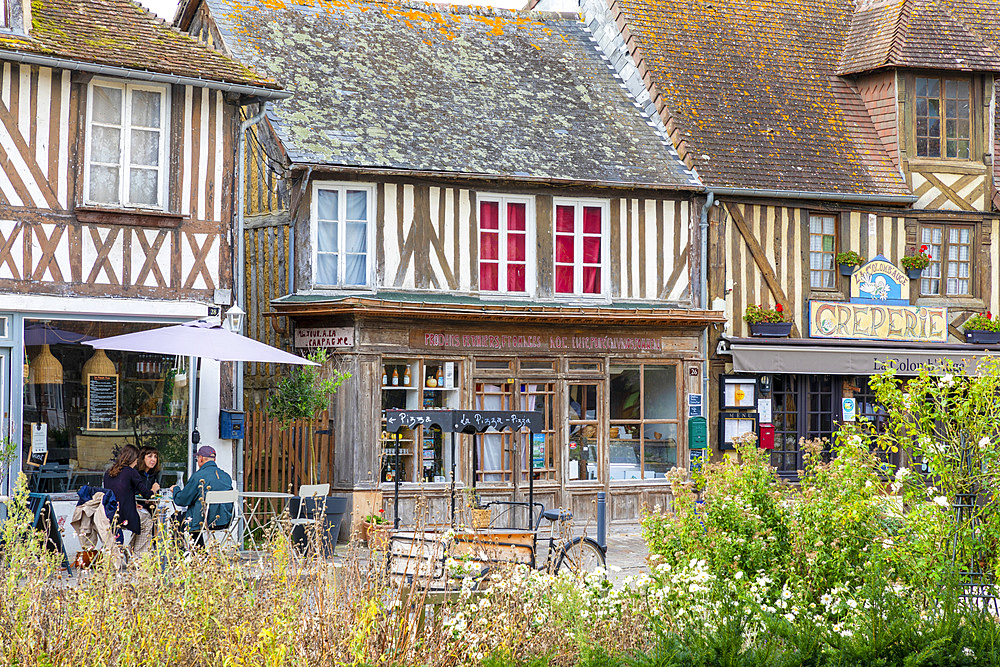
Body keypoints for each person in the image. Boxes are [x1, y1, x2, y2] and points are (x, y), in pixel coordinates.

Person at [102, 444, 156, 557]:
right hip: (124, 516)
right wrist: (154, 490)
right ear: (132, 459)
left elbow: (117, 494)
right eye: (136, 459)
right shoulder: (131, 472)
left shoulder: (109, 472)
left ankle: (130, 550)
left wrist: (133, 503)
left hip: (109, 515)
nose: (137, 462)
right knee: (147, 520)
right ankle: (139, 554)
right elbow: (147, 495)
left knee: (141, 519)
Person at [170, 445, 233, 537]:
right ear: (214, 460)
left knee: (176, 518)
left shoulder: (198, 476)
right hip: (224, 521)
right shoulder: (226, 476)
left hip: (203, 522)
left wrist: (176, 489)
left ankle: (182, 550)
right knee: (195, 515)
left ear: (200, 459)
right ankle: (200, 550)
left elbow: (182, 500)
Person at [136, 446, 161, 514]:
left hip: (150, 511)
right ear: (142, 458)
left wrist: (152, 500)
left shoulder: (154, 475)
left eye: (155, 457)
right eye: (150, 456)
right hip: (138, 510)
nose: (153, 459)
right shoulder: (135, 474)